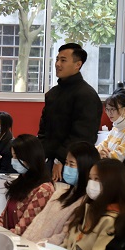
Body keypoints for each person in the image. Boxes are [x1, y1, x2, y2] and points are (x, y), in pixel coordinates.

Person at [38, 43, 103, 182]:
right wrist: (41, 153)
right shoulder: (53, 93)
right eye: (57, 59)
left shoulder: (86, 95)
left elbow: (83, 135)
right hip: (48, 159)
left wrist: (61, 159)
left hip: (69, 164)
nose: (57, 64)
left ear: (78, 64)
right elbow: (44, 128)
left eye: (63, 60)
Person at [22, 141, 100, 245]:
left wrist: (38, 246)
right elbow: (38, 221)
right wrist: (25, 241)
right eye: (66, 163)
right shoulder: (60, 193)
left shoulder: (84, 203)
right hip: (31, 245)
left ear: (85, 167)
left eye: (71, 164)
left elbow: (64, 236)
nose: (66, 167)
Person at [61, 159, 125, 250]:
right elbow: (67, 243)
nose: (91, 183)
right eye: (90, 178)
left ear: (112, 183)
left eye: (97, 179)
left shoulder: (111, 220)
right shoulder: (87, 209)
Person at [0, 134, 55, 235]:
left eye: (17, 156)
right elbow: (3, 217)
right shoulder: (21, 181)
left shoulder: (44, 190)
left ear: (30, 157)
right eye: (13, 156)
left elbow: (23, 228)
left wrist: (1, 236)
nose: (13, 160)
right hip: (8, 236)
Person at [96, 92, 125, 162]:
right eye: (107, 109)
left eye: (113, 109)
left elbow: (121, 156)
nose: (109, 113)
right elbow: (104, 144)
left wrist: (104, 154)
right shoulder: (116, 126)